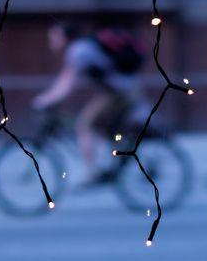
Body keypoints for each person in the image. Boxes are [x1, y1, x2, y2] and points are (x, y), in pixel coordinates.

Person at [32, 22, 145, 181]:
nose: (51, 41)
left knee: (85, 124)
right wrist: (51, 97)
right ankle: (118, 160)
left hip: (120, 93)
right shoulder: (83, 48)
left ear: (65, 37)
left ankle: (92, 172)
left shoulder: (79, 50)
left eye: (54, 37)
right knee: (104, 127)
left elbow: (68, 82)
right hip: (123, 90)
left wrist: (45, 100)